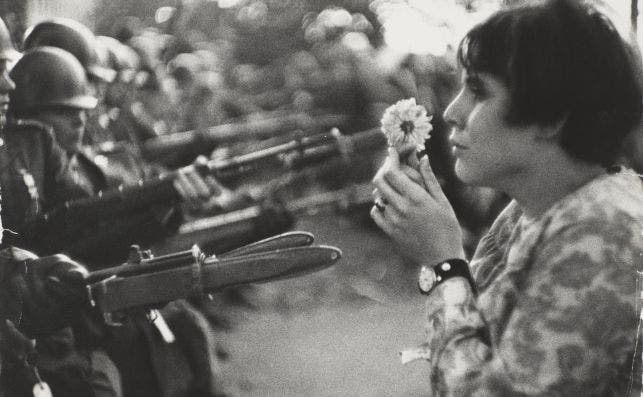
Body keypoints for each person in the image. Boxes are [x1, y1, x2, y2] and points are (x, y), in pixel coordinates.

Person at [371, 0, 643, 395]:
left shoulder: (605, 230)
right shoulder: (533, 209)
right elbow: (480, 336)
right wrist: (439, 245)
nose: (451, 111)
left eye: (478, 90)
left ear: (551, 117)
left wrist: (443, 262)